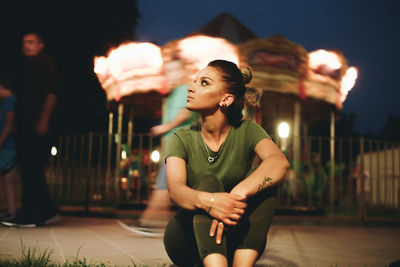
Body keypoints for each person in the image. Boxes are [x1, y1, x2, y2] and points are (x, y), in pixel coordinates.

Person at [163, 60, 289, 267]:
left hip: (233, 235)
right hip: (187, 241)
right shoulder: (180, 137)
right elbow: (176, 191)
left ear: (226, 99)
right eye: (195, 81)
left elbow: (279, 163)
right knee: (208, 182)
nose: (191, 87)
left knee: (265, 184)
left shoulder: (247, 130)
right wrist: (212, 202)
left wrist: (237, 194)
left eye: (204, 83)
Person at [1, 33, 59, 228]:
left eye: (31, 42)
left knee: (31, 170)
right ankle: (47, 210)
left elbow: (51, 93)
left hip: (36, 126)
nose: (26, 45)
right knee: (30, 170)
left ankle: (28, 214)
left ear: (41, 45)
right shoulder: (24, 67)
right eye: (24, 42)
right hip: (25, 126)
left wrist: (44, 119)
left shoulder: (45, 64)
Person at [138, 82, 199, 228]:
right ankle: (156, 221)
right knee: (167, 184)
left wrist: (165, 127)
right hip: (177, 144)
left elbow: (185, 112)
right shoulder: (174, 94)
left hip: (180, 143)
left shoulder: (182, 90)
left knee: (163, 184)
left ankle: (150, 222)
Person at [0, 76, 16, 220]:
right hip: (9, 145)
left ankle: (9, 210)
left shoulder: (9, 101)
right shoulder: (11, 101)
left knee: (6, 179)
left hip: (6, 146)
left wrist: (0, 141)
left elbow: (10, 124)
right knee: (7, 179)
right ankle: (10, 211)